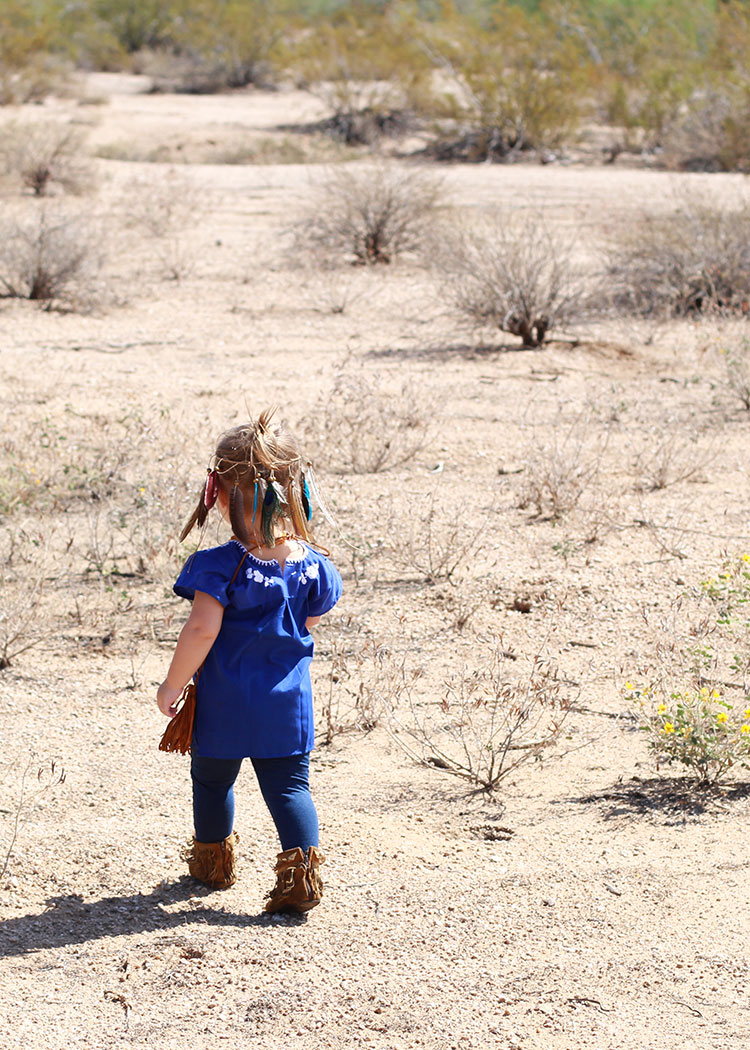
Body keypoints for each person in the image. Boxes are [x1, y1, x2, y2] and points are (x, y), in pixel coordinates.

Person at [156, 410, 342, 914]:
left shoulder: (219, 565)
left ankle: (213, 863)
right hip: (287, 708)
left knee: (213, 781)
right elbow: (311, 620)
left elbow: (201, 629)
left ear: (216, 492)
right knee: (289, 789)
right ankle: (301, 877)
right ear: (294, 490)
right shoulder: (313, 565)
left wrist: (172, 686)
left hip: (222, 705)